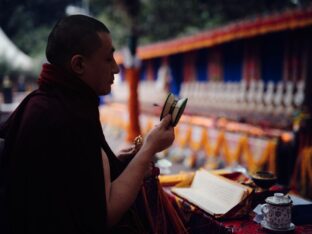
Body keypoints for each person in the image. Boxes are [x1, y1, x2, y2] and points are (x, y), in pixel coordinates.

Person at [0, 15, 174, 233]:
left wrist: (114, 164)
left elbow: (74, 179)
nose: (116, 70)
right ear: (79, 64)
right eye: (108, 59)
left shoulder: (45, 101)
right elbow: (104, 216)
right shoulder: (64, 116)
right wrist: (148, 150)